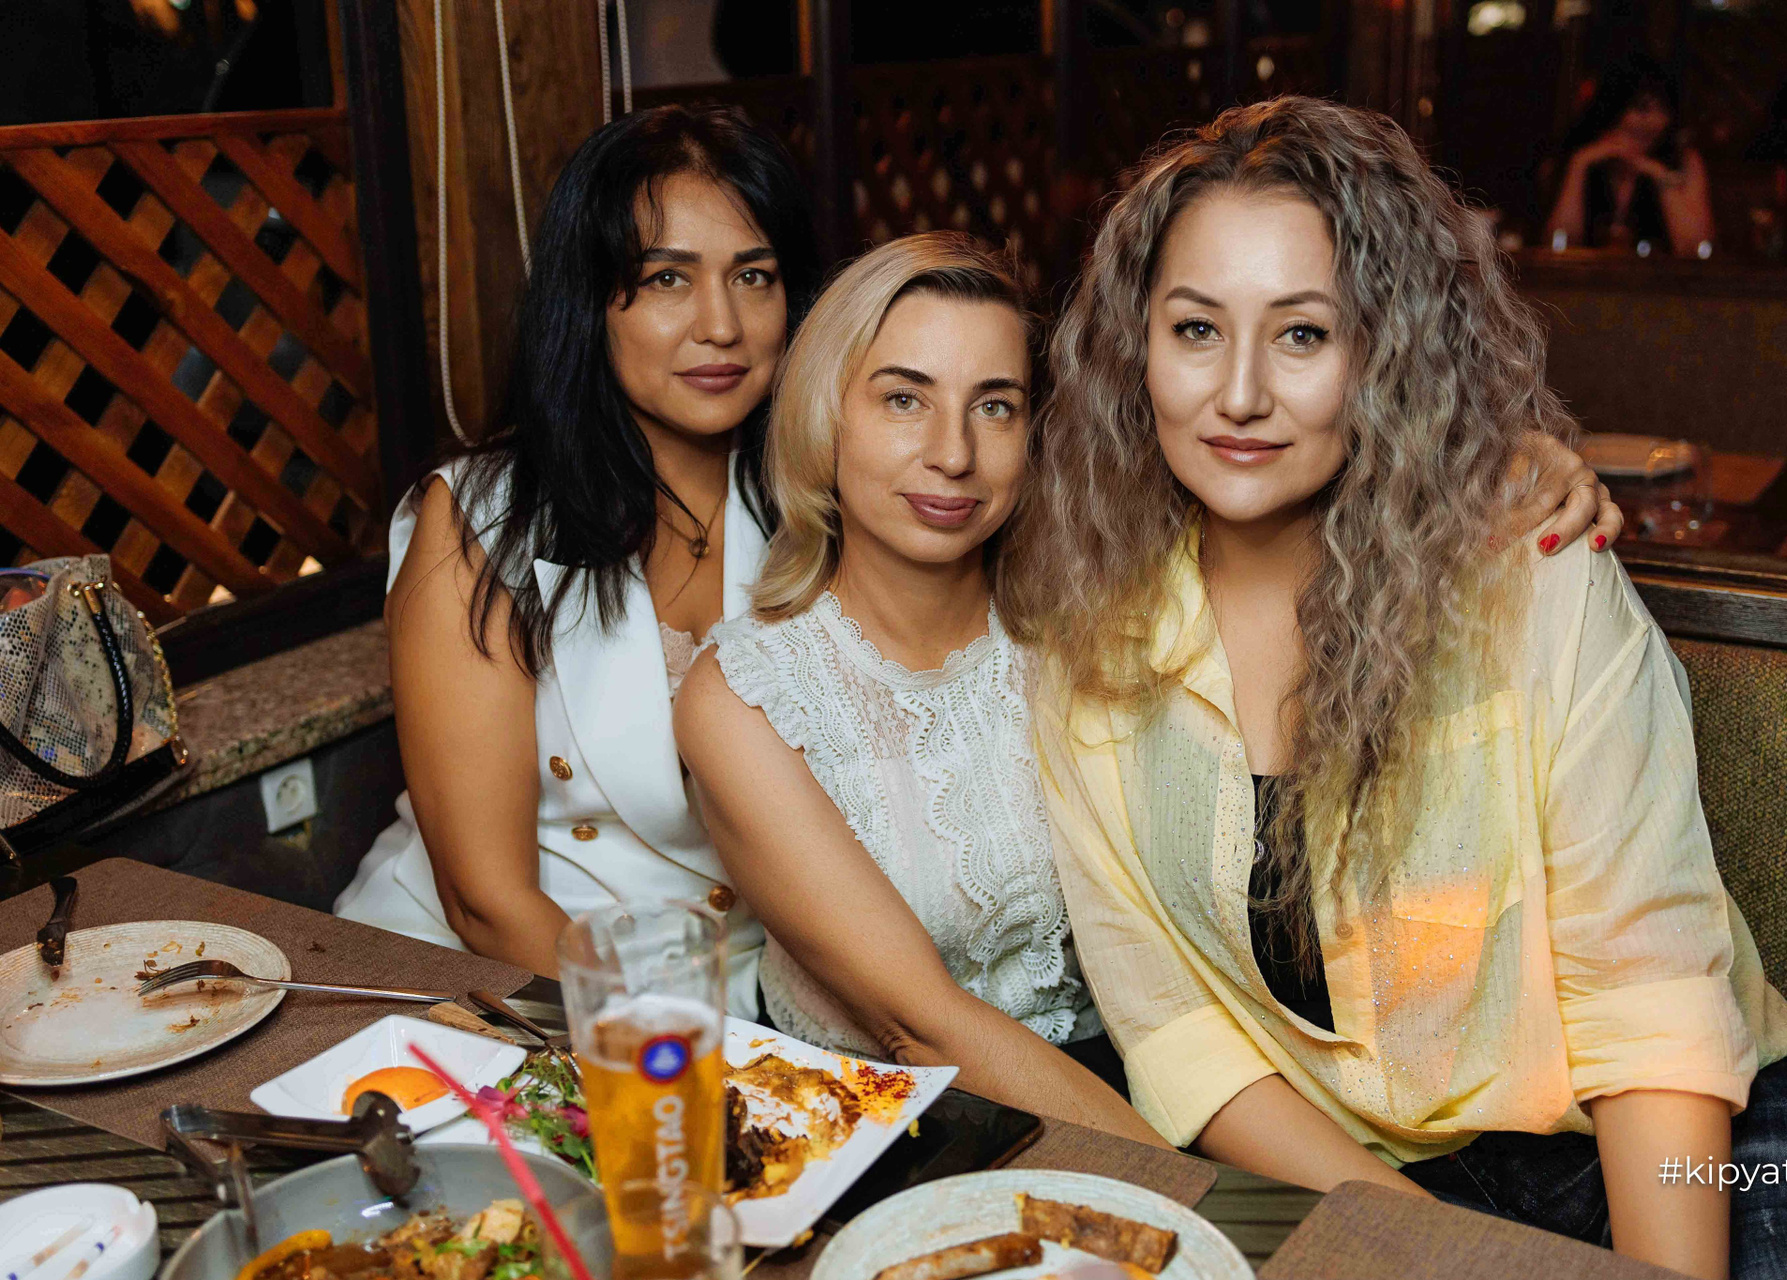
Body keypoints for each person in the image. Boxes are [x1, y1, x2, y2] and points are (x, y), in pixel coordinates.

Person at [1014, 97, 1787, 1279]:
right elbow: (1181, 1035)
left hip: (1702, 1140)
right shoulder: (1085, 645)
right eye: (1195, 329)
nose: (1237, 392)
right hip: (1355, 1166)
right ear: (1136, 348)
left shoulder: (1532, 574)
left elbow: (1647, 1000)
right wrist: (1436, 1248)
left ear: (1386, 353)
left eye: (1302, 334)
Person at [675, 230, 1622, 1138]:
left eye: (995, 406)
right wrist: (1207, 1194)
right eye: (902, 400)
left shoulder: (1093, 617)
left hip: (1160, 1081)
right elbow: (916, 1026)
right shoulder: (748, 698)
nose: (953, 453)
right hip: (876, 1122)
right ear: (824, 416)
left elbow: (1297, 485)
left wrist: (1504, 463)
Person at [334, 105, 821, 1014]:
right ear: (589, 301)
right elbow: (485, 900)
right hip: (497, 986)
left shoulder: (826, 503)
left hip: (754, 993)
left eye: (753, 276)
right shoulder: (484, 520)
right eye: (667, 278)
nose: (722, 325)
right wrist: (671, 1053)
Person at [1545, 55, 1713, 257]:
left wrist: (1659, 174)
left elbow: (1695, 248)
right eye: (1642, 108)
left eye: (1663, 110)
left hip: (1660, 277)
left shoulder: (1682, 160)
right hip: (1585, 277)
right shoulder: (1576, 157)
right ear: (1613, 109)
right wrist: (1579, 165)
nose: (1655, 122)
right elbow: (1559, 243)